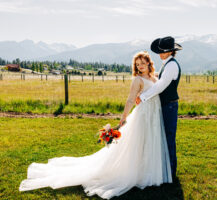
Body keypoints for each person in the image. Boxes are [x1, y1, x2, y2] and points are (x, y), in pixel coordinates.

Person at [19, 51, 172, 199]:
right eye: (137, 64)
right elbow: (130, 99)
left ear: (149, 63)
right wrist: (123, 118)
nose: (140, 66)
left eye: (143, 63)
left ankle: (148, 172)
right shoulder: (137, 80)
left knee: (150, 142)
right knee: (138, 144)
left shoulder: (154, 77)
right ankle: (136, 173)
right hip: (143, 115)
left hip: (154, 115)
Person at [136, 36, 182, 179]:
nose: (161, 53)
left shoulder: (172, 65)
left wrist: (143, 97)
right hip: (165, 105)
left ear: (171, 51)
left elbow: (161, 85)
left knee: (168, 137)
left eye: (164, 51)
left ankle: (171, 172)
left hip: (169, 106)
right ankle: (165, 170)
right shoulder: (166, 64)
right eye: (160, 51)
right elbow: (160, 79)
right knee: (163, 137)